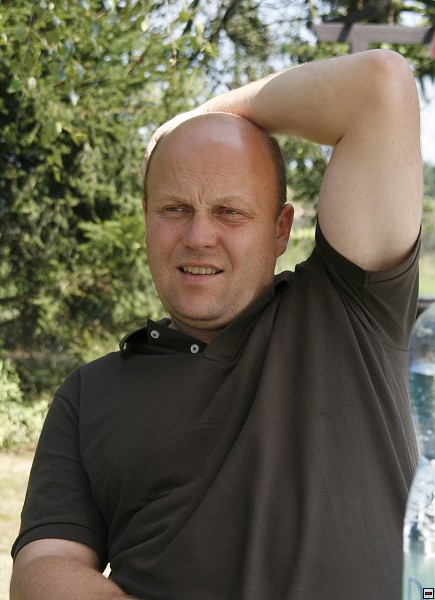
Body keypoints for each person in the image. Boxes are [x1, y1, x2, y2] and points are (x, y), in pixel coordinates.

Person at [10, 49, 423, 600]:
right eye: (174, 209)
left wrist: (195, 118)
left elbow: (380, 84)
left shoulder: (347, 308)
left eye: (230, 212)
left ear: (280, 229)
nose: (199, 237)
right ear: (147, 219)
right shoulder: (89, 393)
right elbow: (42, 565)